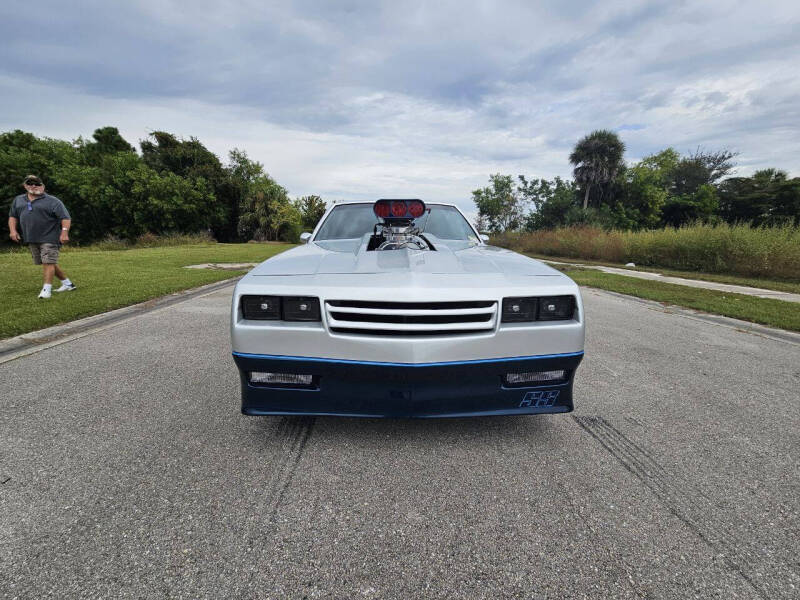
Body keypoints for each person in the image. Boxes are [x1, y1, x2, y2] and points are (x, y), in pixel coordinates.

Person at [8, 175, 76, 299]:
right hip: (31, 237)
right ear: (25, 185)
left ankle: (46, 290)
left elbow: (65, 218)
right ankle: (68, 284)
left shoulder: (53, 201)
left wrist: (64, 233)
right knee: (47, 262)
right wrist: (13, 231)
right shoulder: (18, 200)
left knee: (48, 261)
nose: (33, 186)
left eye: (37, 184)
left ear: (43, 186)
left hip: (50, 236)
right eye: (30, 183)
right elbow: (13, 216)